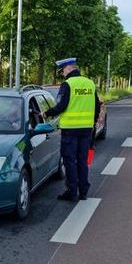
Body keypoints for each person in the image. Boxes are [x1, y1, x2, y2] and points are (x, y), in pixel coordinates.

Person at [44, 58, 101, 202]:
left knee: (69, 161)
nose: (62, 74)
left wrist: (46, 113)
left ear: (69, 68)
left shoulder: (68, 84)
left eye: (62, 70)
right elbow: (97, 106)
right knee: (82, 161)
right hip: (86, 130)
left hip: (70, 130)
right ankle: (83, 192)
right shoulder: (90, 83)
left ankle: (71, 192)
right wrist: (92, 123)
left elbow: (61, 106)